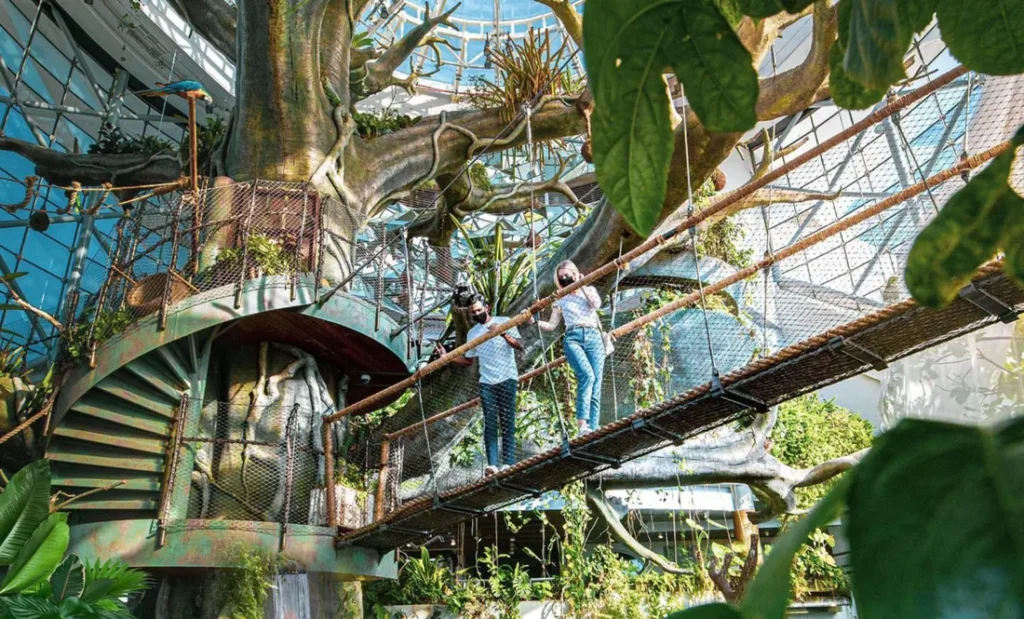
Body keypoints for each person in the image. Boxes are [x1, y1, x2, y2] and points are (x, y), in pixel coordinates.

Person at [438, 295, 523, 476]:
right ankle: (492, 464)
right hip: (487, 382)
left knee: (507, 420)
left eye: (479, 310)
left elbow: (518, 345)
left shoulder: (504, 321)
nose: (477, 313)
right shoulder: (473, 333)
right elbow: (468, 360)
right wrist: (447, 357)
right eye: (473, 312)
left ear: (487, 307)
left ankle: (508, 462)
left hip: (507, 377)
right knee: (490, 422)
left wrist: (502, 332)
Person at [538, 260, 607, 434]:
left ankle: (593, 428)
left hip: (593, 337)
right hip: (573, 337)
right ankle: (582, 425)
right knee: (587, 376)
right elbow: (552, 325)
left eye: (568, 275)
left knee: (596, 383)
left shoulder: (589, 290)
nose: (565, 279)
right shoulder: (560, 298)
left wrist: (582, 284)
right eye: (562, 278)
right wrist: (534, 322)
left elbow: (596, 305)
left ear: (576, 273)